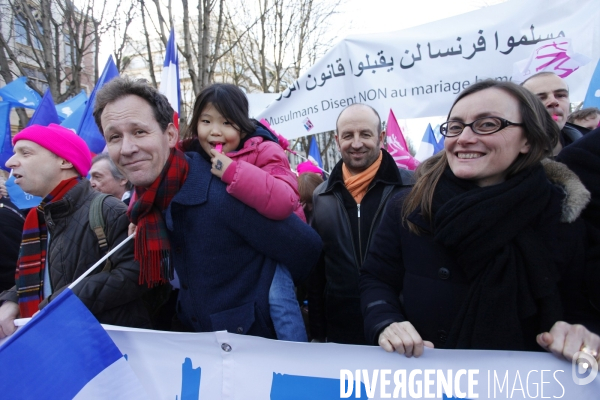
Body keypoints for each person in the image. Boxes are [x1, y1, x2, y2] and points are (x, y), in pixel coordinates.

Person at [359, 80, 600, 363]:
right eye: (456, 126)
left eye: (487, 125)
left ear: (528, 140)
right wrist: (386, 321)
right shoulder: (409, 205)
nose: (464, 138)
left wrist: (580, 335)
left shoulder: (562, 215)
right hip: (427, 377)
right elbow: (376, 278)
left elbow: (582, 307)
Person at [93, 77, 322, 339]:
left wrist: (256, 295)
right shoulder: (145, 206)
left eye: (139, 132)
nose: (127, 148)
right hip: (196, 358)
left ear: (170, 134)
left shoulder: (223, 192)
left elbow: (306, 247)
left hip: (254, 357)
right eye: (114, 137)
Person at [181, 83, 307, 342]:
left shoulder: (264, 149)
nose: (215, 131)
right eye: (206, 121)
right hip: (226, 255)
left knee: (278, 300)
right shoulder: (188, 155)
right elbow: (159, 178)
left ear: (241, 124)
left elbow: (285, 199)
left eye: (226, 123)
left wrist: (232, 172)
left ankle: (297, 360)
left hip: (272, 249)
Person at [0, 124, 152, 339]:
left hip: (99, 349)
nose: (10, 162)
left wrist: (62, 302)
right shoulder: (38, 217)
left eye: (25, 153)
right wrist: (12, 301)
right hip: (49, 343)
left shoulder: (109, 210)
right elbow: (45, 277)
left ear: (64, 161)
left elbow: (139, 274)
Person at [308, 103, 412, 345]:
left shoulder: (412, 188)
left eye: (365, 134)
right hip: (342, 331)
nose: (356, 143)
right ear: (337, 140)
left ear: (381, 137)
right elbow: (318, 273)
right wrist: (317, 333)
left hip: (401, 329)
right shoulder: (321, 196)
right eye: (348, 135)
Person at [522, 72, 582, 154]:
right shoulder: (506, 160)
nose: (553, 101)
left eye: (560, 95)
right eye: (541, 98)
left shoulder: (591, 147)